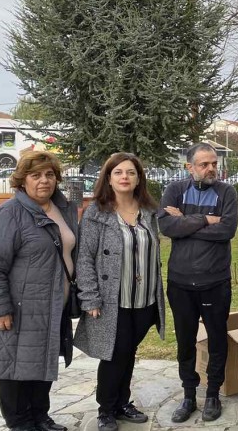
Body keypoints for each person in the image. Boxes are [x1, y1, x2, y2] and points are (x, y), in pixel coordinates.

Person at [0, 151, 76, 431]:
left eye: (50, 174)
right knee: (16, 369)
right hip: (19, 308)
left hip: (53, 305)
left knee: (43, 361)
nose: (44, 181)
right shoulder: (8, 214)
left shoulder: (63, 209)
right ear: (22, 180)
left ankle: (40, 416)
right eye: (36, 175)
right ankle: (20, 423)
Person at [74, 153, 166, 431]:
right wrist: (89, 296)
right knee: (114, 354)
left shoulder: (149, 211)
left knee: (128, 351)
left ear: (139, 179)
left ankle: (122, 403)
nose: (125, 177)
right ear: (109, 179)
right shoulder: (96, 213)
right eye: (118, 173)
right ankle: (106, 409)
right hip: (113, 300)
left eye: (131, 172)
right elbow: (85, 258)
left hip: (144, 298)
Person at [159, 143, 238, 423]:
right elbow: (167, 227)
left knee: (217, 338)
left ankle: (213, 393)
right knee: (185, 341)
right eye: (204, 164)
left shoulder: (227, 192)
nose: (211, 169)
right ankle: (189, 394)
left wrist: (187, 225)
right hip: (180, 281)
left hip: (215, 280)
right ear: (189, 167)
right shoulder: (174, 191)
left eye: (214, 163)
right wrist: (205, 219)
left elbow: (227, 230)